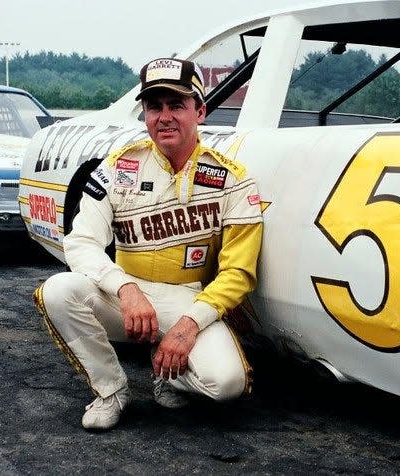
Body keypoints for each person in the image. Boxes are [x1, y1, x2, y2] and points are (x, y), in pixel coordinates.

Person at [33, 57, 263, 430]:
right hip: (127, 296)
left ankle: (168, 374)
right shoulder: (117, 167)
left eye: (177, 105)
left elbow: (238, 272)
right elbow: (81, 242)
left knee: (227, 384)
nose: (165, 116)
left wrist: (188, 326)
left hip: (189, 298)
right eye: (154, 107)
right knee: (59, 290)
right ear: (144, 115)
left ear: (200, 111)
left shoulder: (231, 179)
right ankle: (111, 390)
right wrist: (124, 288)